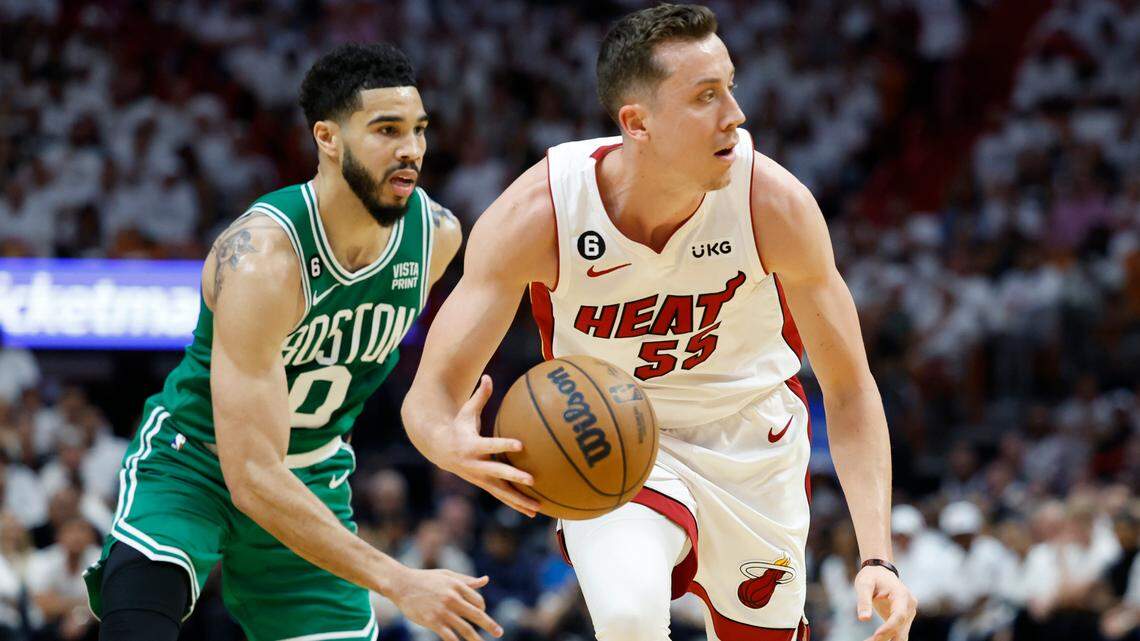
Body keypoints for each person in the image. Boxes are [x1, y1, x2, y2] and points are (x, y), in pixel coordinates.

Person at [402, 4, 917, 641]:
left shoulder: (772, 206)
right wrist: (445, 444)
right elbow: (428, 400)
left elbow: (849, 389)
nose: (736, 114)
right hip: (614, 435)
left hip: (753, 438)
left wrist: (876, 555)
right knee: (628, 618)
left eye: (731, 86)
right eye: (706, 96)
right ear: (637, 123)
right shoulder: (540, 214)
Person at [83, 43, 502, 641]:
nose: (411, 149)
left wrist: (445, 435)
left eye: (418, 130)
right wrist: (399, 579)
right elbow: (251, 473)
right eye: (386, 130)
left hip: (312, 479)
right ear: (328, 138)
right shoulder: (262, 259)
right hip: (197, 462)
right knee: (137, 620)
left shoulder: (436, 238)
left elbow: (420, 390)